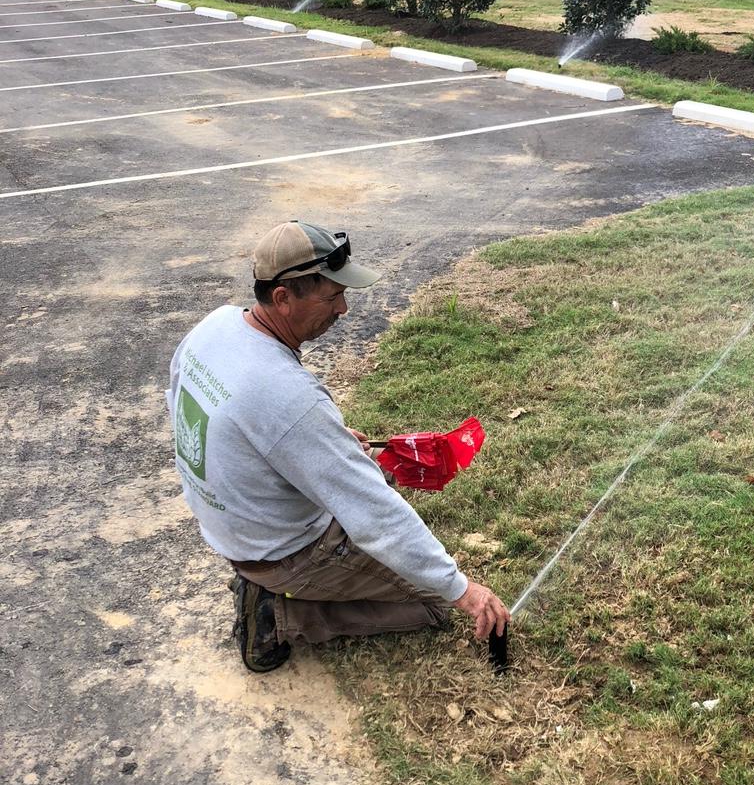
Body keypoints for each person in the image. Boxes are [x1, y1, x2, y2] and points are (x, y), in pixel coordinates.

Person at [166, 219, 510, 672]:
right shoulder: (287, 396)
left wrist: (310, 450)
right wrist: (463, 589)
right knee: (432, 602)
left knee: (371, 473)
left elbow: (202, 417)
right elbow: (373, 514)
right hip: (281, 552)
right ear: (284, 298)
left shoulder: (216, 327)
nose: (344, 308)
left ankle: (272, 584)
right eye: (332, 296)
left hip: (230, 526)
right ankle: (280, 614)